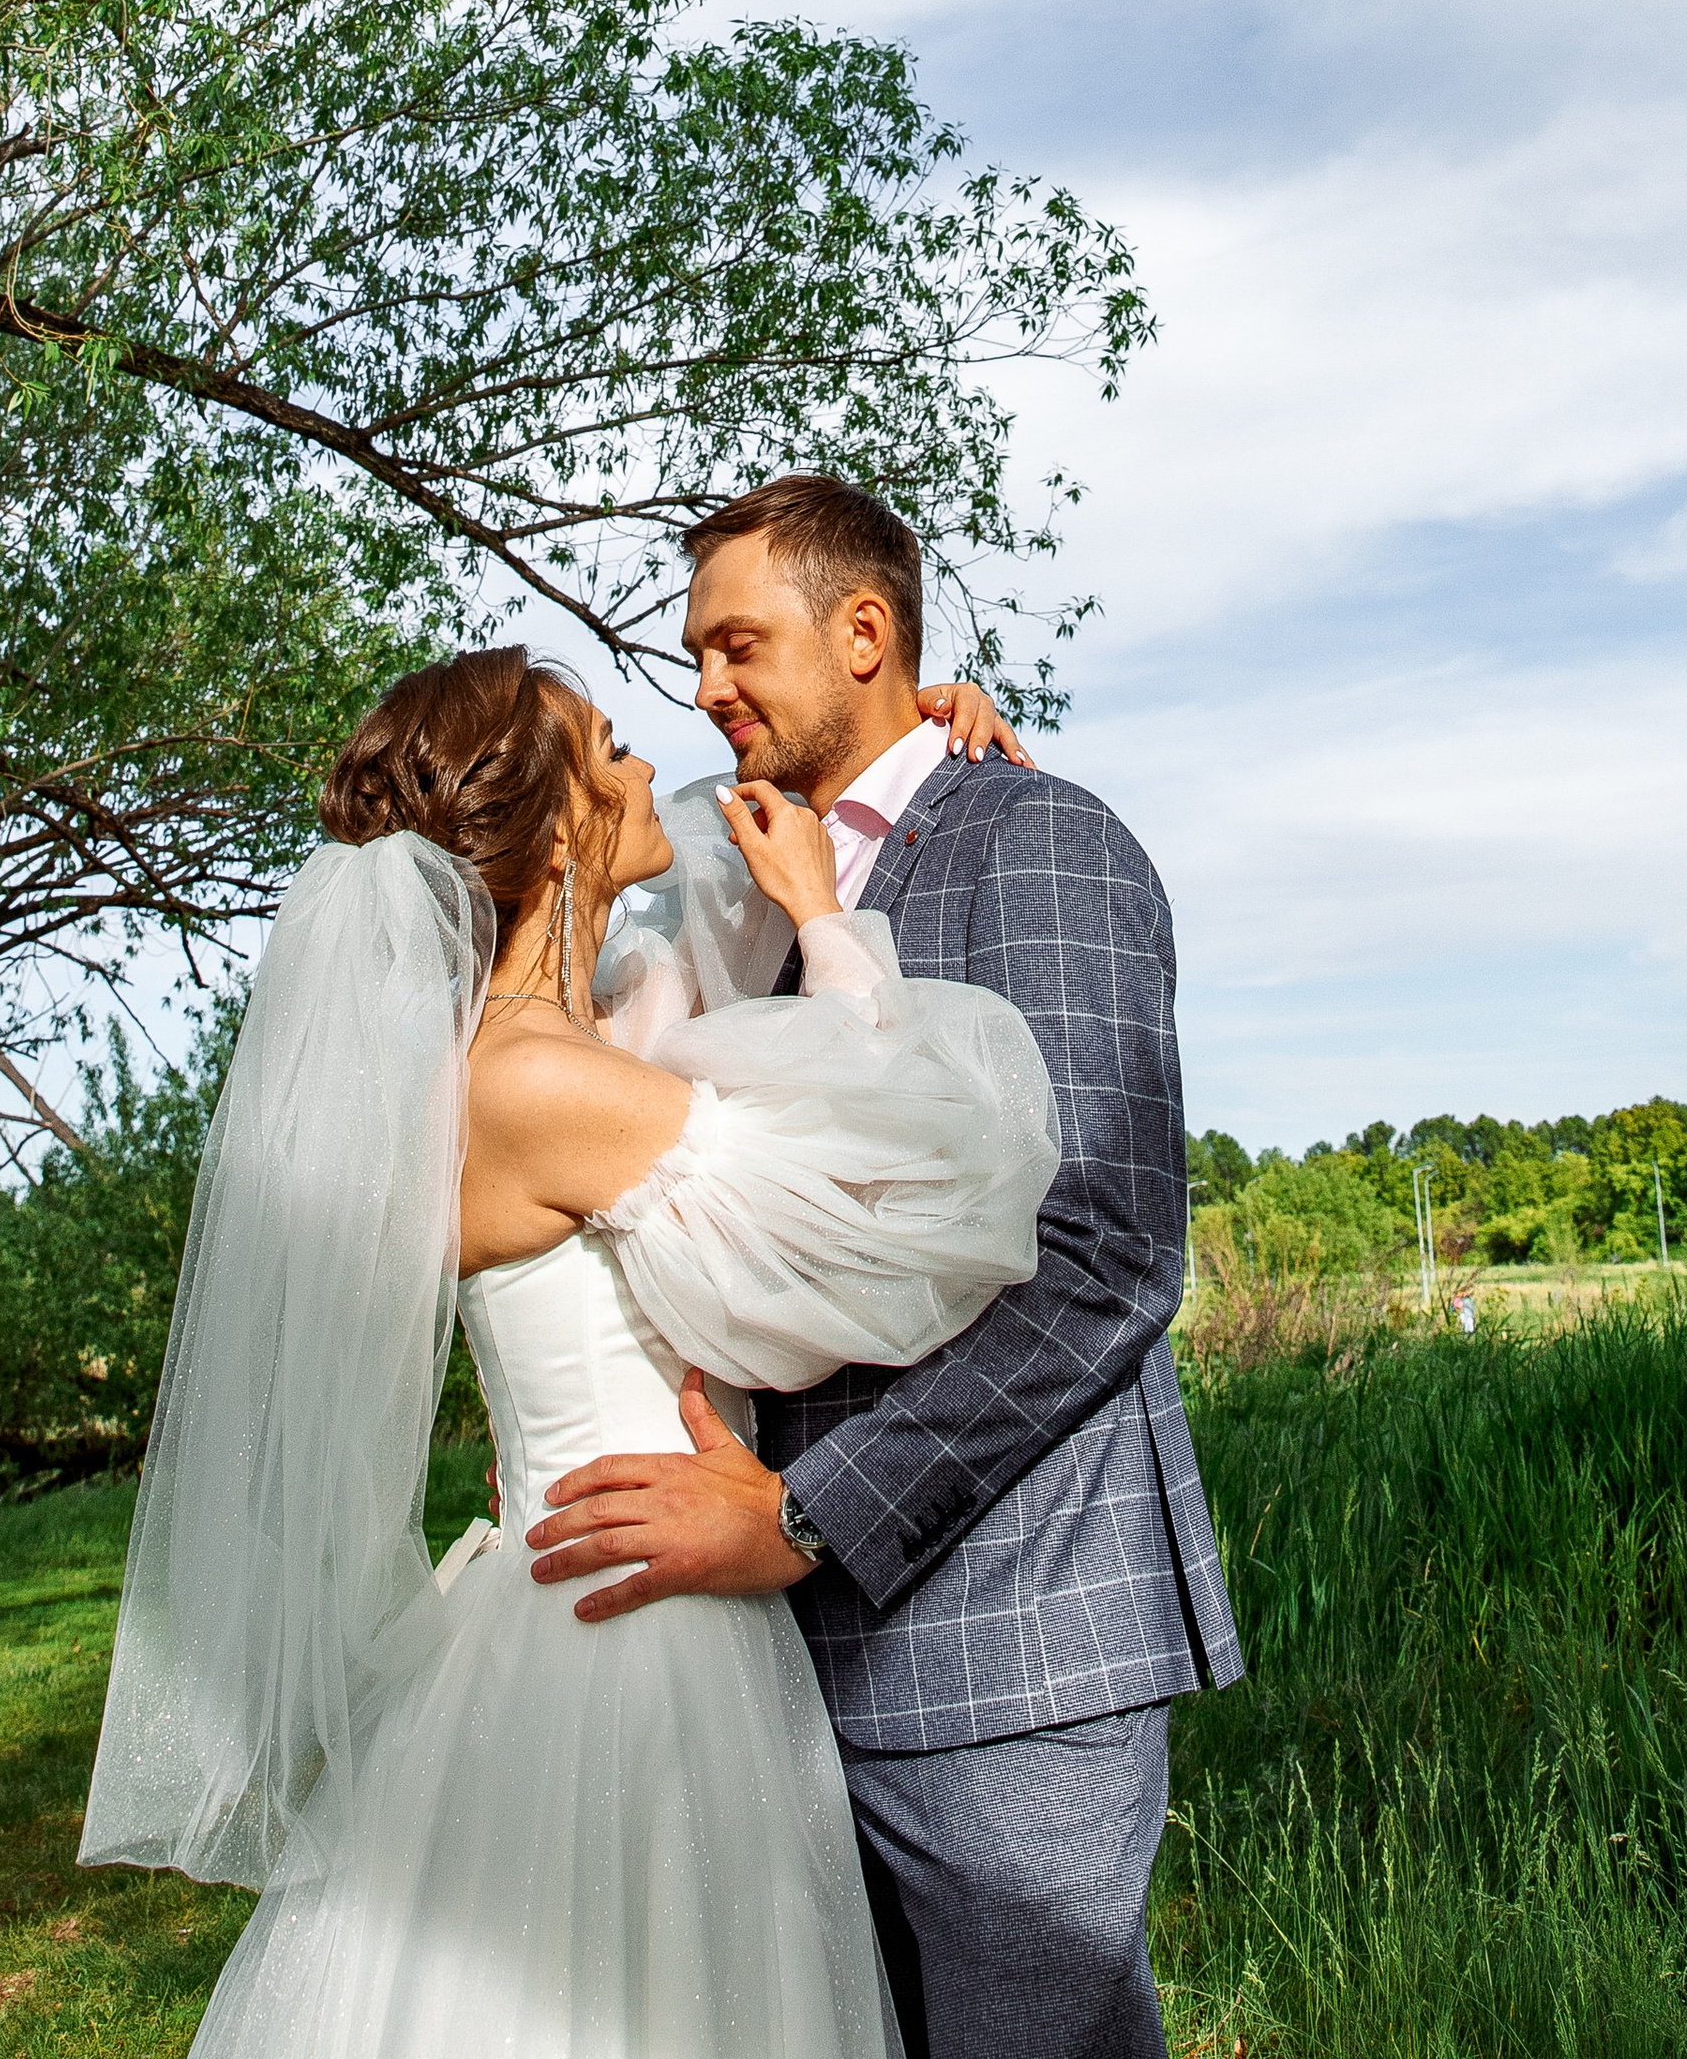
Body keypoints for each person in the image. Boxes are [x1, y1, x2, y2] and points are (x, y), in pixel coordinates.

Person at [80, 646, 1062, 2057]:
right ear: (551, 827)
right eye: (610, 748)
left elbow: (697, 945)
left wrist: (908, 727)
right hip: (636, 1639)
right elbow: (913, 1198)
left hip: (589, 1593)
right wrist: (828, 922)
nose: (650, 761)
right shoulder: (537, 1079)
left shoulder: (578, 1032)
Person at [529, 476, 1243, 2059]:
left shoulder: (1035, 836)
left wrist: (805, 1519)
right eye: (695, 652)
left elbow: (1109, 1249)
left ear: (865, 633)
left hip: (1011, 1648)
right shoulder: (748, 886)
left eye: (736, 644)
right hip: (781, 1663)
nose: (704, 688)